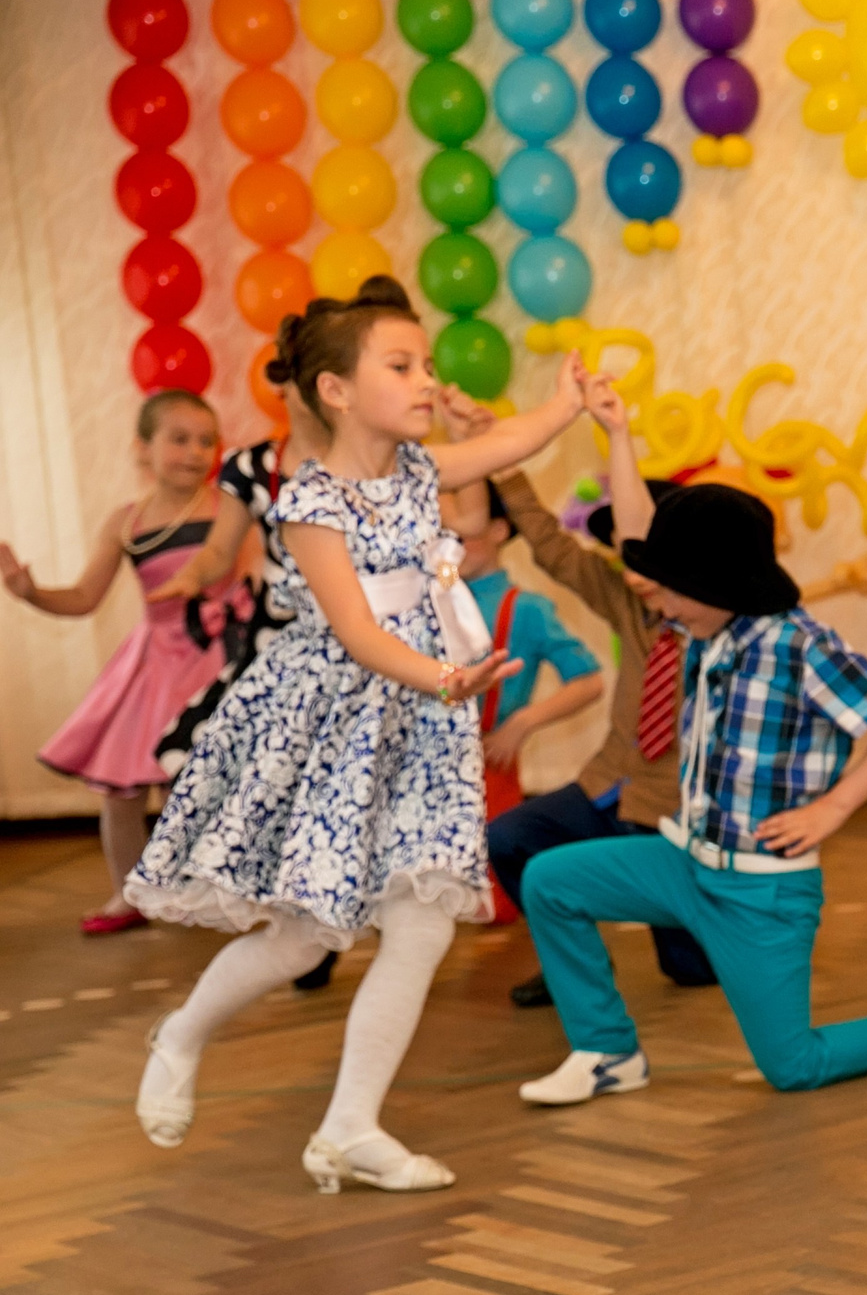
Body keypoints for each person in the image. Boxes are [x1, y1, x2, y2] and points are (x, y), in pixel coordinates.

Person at [126, 277, 595, 1190]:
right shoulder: (307, 503)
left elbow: (498, 442)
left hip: (421, 723)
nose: (426, 380)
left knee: (420, 927)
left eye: (427, 364)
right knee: (307, 936)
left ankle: (349, 1126)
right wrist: (447, 679)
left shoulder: (419, 471)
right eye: (402, 365)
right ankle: (181, 1032)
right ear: (335, 390)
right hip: (338, 723)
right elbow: (356, 632)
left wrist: (565, 403)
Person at [514, 373, 867, 1106]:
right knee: (550, 882)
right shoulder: (702, 626)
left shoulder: (799, 645)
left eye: (667, 584)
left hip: (762, 893)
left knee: (793, 1064)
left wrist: (835, 808)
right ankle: (607, 1052)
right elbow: (639, 542)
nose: (651, 594)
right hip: (681, 859)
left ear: (715, 583)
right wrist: (618, 434)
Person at [452, 446, 716, 1007]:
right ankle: (574, 959)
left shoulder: (718, 627)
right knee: (510, 837)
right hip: (605, 787)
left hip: (668, 810)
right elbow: (552, 548)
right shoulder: (629, 602)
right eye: (626, 555)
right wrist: (504, 465)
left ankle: (705, 925)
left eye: (648, 556)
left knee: (691, 968)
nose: (636, 572)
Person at [0, 390, 229, 934]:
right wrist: (30, 591)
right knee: (122, 790)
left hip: (217, 659)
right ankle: (130, 892)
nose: (194, 452)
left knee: (195, 781)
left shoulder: (228, 509)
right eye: (178, 439)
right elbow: (83, 597)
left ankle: (214, 888)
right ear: (142, 449)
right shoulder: (126, 523)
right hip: (152, 664)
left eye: (205, 440)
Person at [150, 392, 344, 988]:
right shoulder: (251, 465)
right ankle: (293, 905)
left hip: (352, 640)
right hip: (277, 641)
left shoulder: (366, 455)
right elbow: (218, 552)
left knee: (335, 781)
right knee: (194, 749)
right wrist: (193, 574)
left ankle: (327, 907)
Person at [431, 477, 603, 923]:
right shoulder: (437, 597)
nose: (449, 546)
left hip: (490, 763)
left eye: (462, 533)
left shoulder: (526, 608)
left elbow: (588, 681)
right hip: (424, 762)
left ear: (499, 531)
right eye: (441, 533)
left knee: (493, 902)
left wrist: (523, 722)